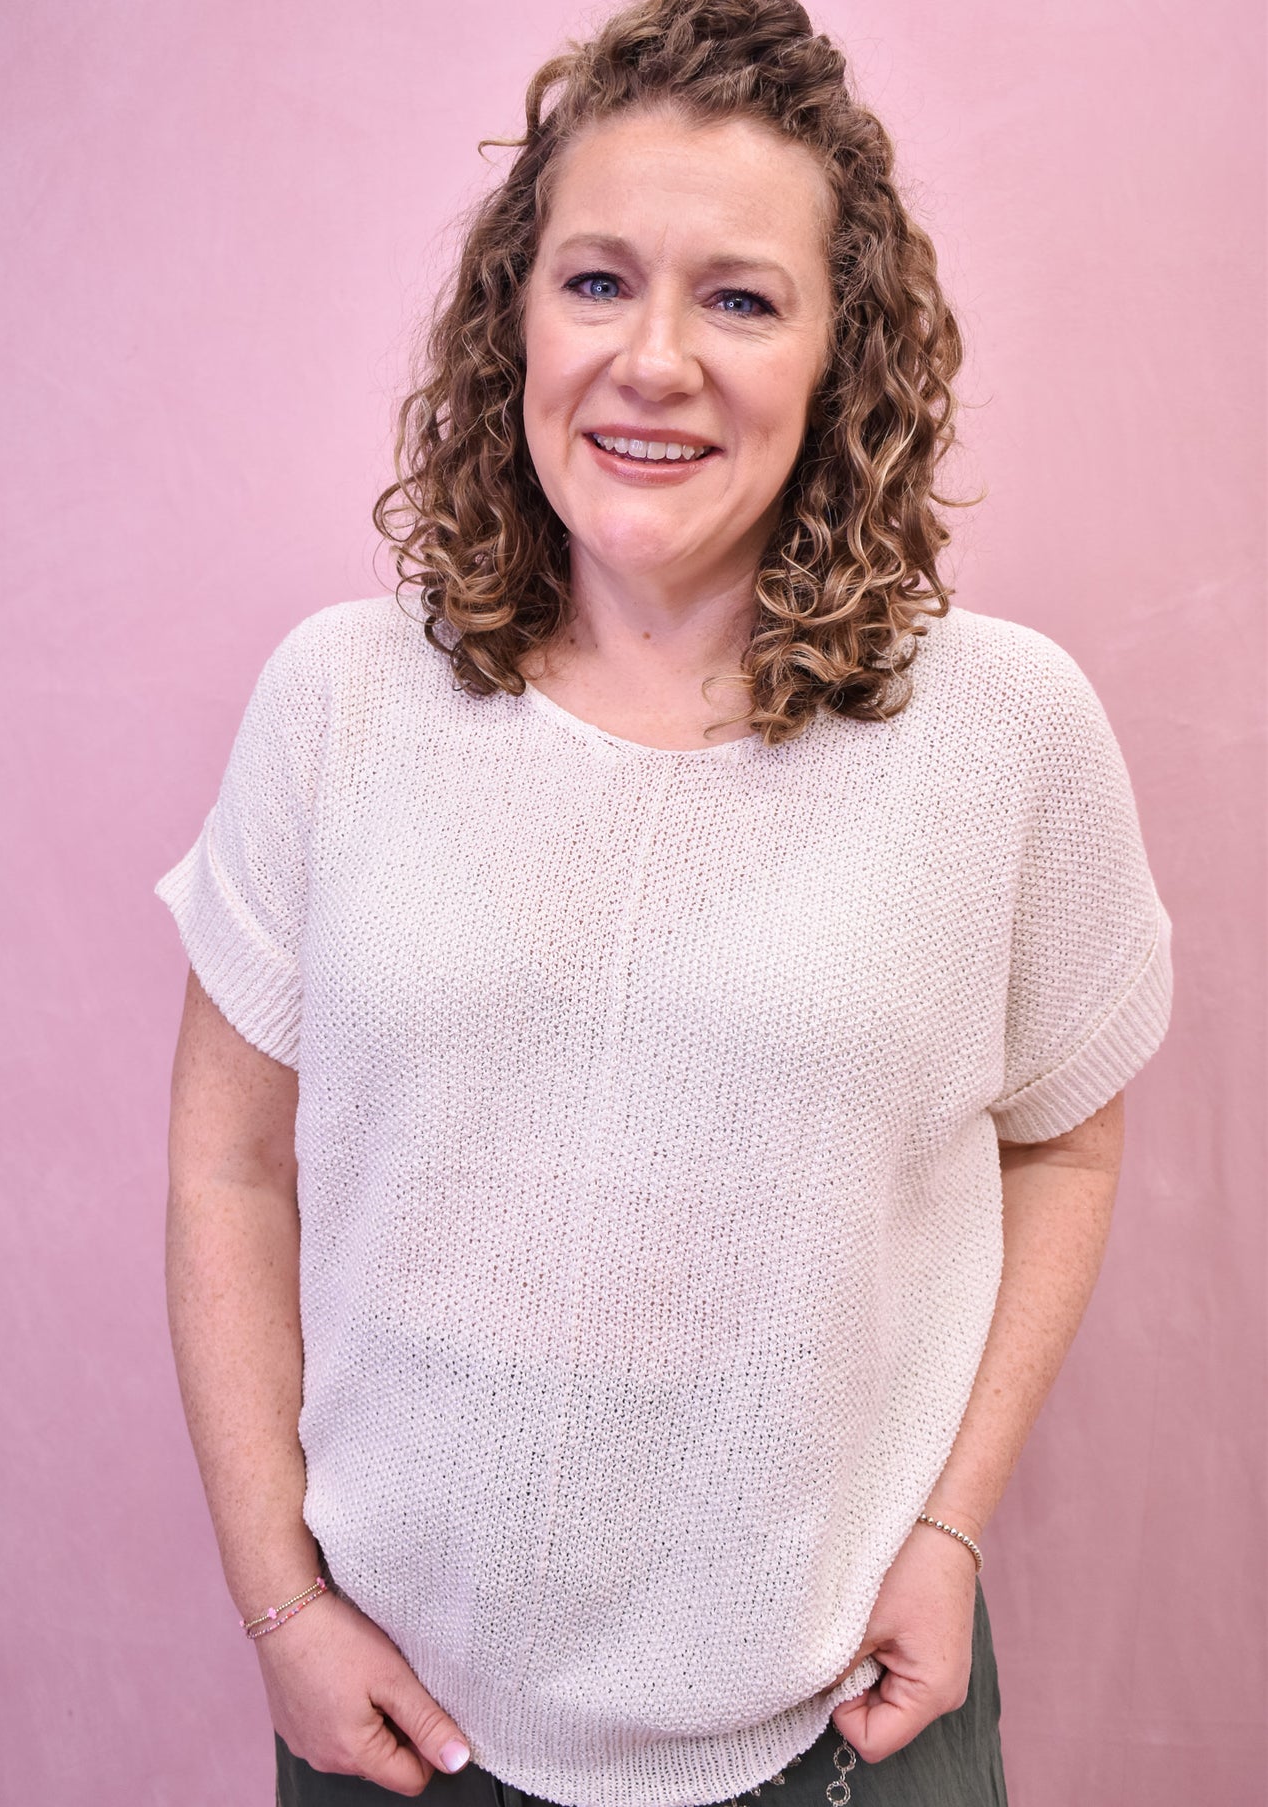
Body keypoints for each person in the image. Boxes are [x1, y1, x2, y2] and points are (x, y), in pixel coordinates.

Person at [155, 2, 1173, 1803]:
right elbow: (230, 1163)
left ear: (839, 356)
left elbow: (1062, 1149)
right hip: (402, 1725)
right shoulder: (339, 700)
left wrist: (945, 1532)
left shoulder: (1000, 731)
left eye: (741, 298)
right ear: (514, 319)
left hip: (845, 1722)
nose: (654, 361)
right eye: (598, 281)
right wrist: (275, 1610)